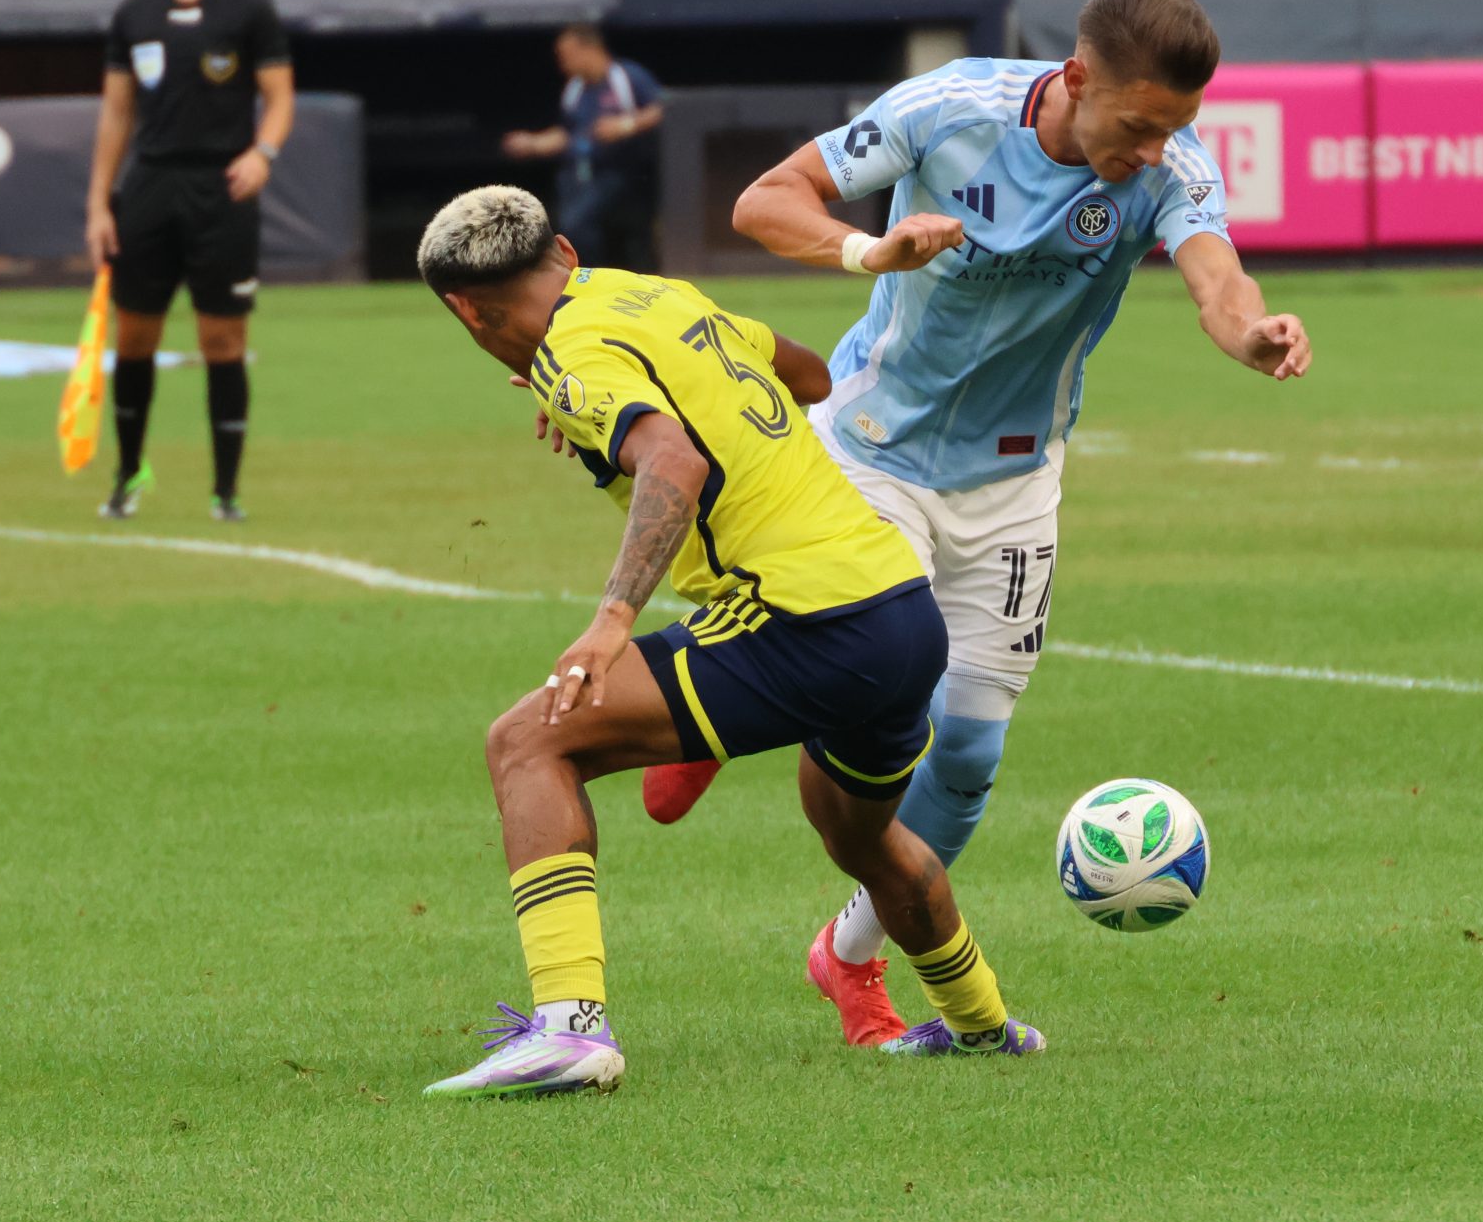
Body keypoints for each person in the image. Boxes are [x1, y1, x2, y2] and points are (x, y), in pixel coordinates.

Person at [691, 0, 1311, 1046]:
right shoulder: (951, 109)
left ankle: (847, 957)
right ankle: (734, 678)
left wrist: (1249, 332)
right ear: (1076, 80)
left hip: (1017, 483)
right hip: (872, 450)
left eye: (1175, 129)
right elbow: (763, 201)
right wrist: (864, 249)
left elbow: (1219, 279)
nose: (1155, 150)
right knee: (887, 675)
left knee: (968, 752)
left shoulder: (1171, 166)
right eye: (1136, 125)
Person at [414, 185, 1046, 1099]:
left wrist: (612, 619)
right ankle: (985, 1026)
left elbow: (675, 459)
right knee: (856, 833)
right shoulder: (653, 296)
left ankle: (569, 1029)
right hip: (902, 612)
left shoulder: (574, 351)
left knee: (528, 741)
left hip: (806, 619)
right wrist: (606, 410)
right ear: (563, 246)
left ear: (464, 310)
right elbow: (811, 376)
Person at [83, 0, 295, 523]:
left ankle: (225, 490)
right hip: (149, 188)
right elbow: (116, 115)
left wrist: (262, 154)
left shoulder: (249, 9)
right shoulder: (133, 15)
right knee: (136, 337)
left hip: (222, 189)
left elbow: (281, 98)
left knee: (223, 341)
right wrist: (99, 202)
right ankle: (127, 474)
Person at [502, 24, 662, 273]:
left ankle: (587, 275)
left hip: (622, 171)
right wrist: (533, 142)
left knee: (579, 222)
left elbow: (662, 109)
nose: (562, 63)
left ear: (590, 49)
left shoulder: (626, 77)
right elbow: (567, 133)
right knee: (565, 225)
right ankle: (579, 276)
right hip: (579, 172)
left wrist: (626, 125)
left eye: (567, 54)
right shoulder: (575, 89)